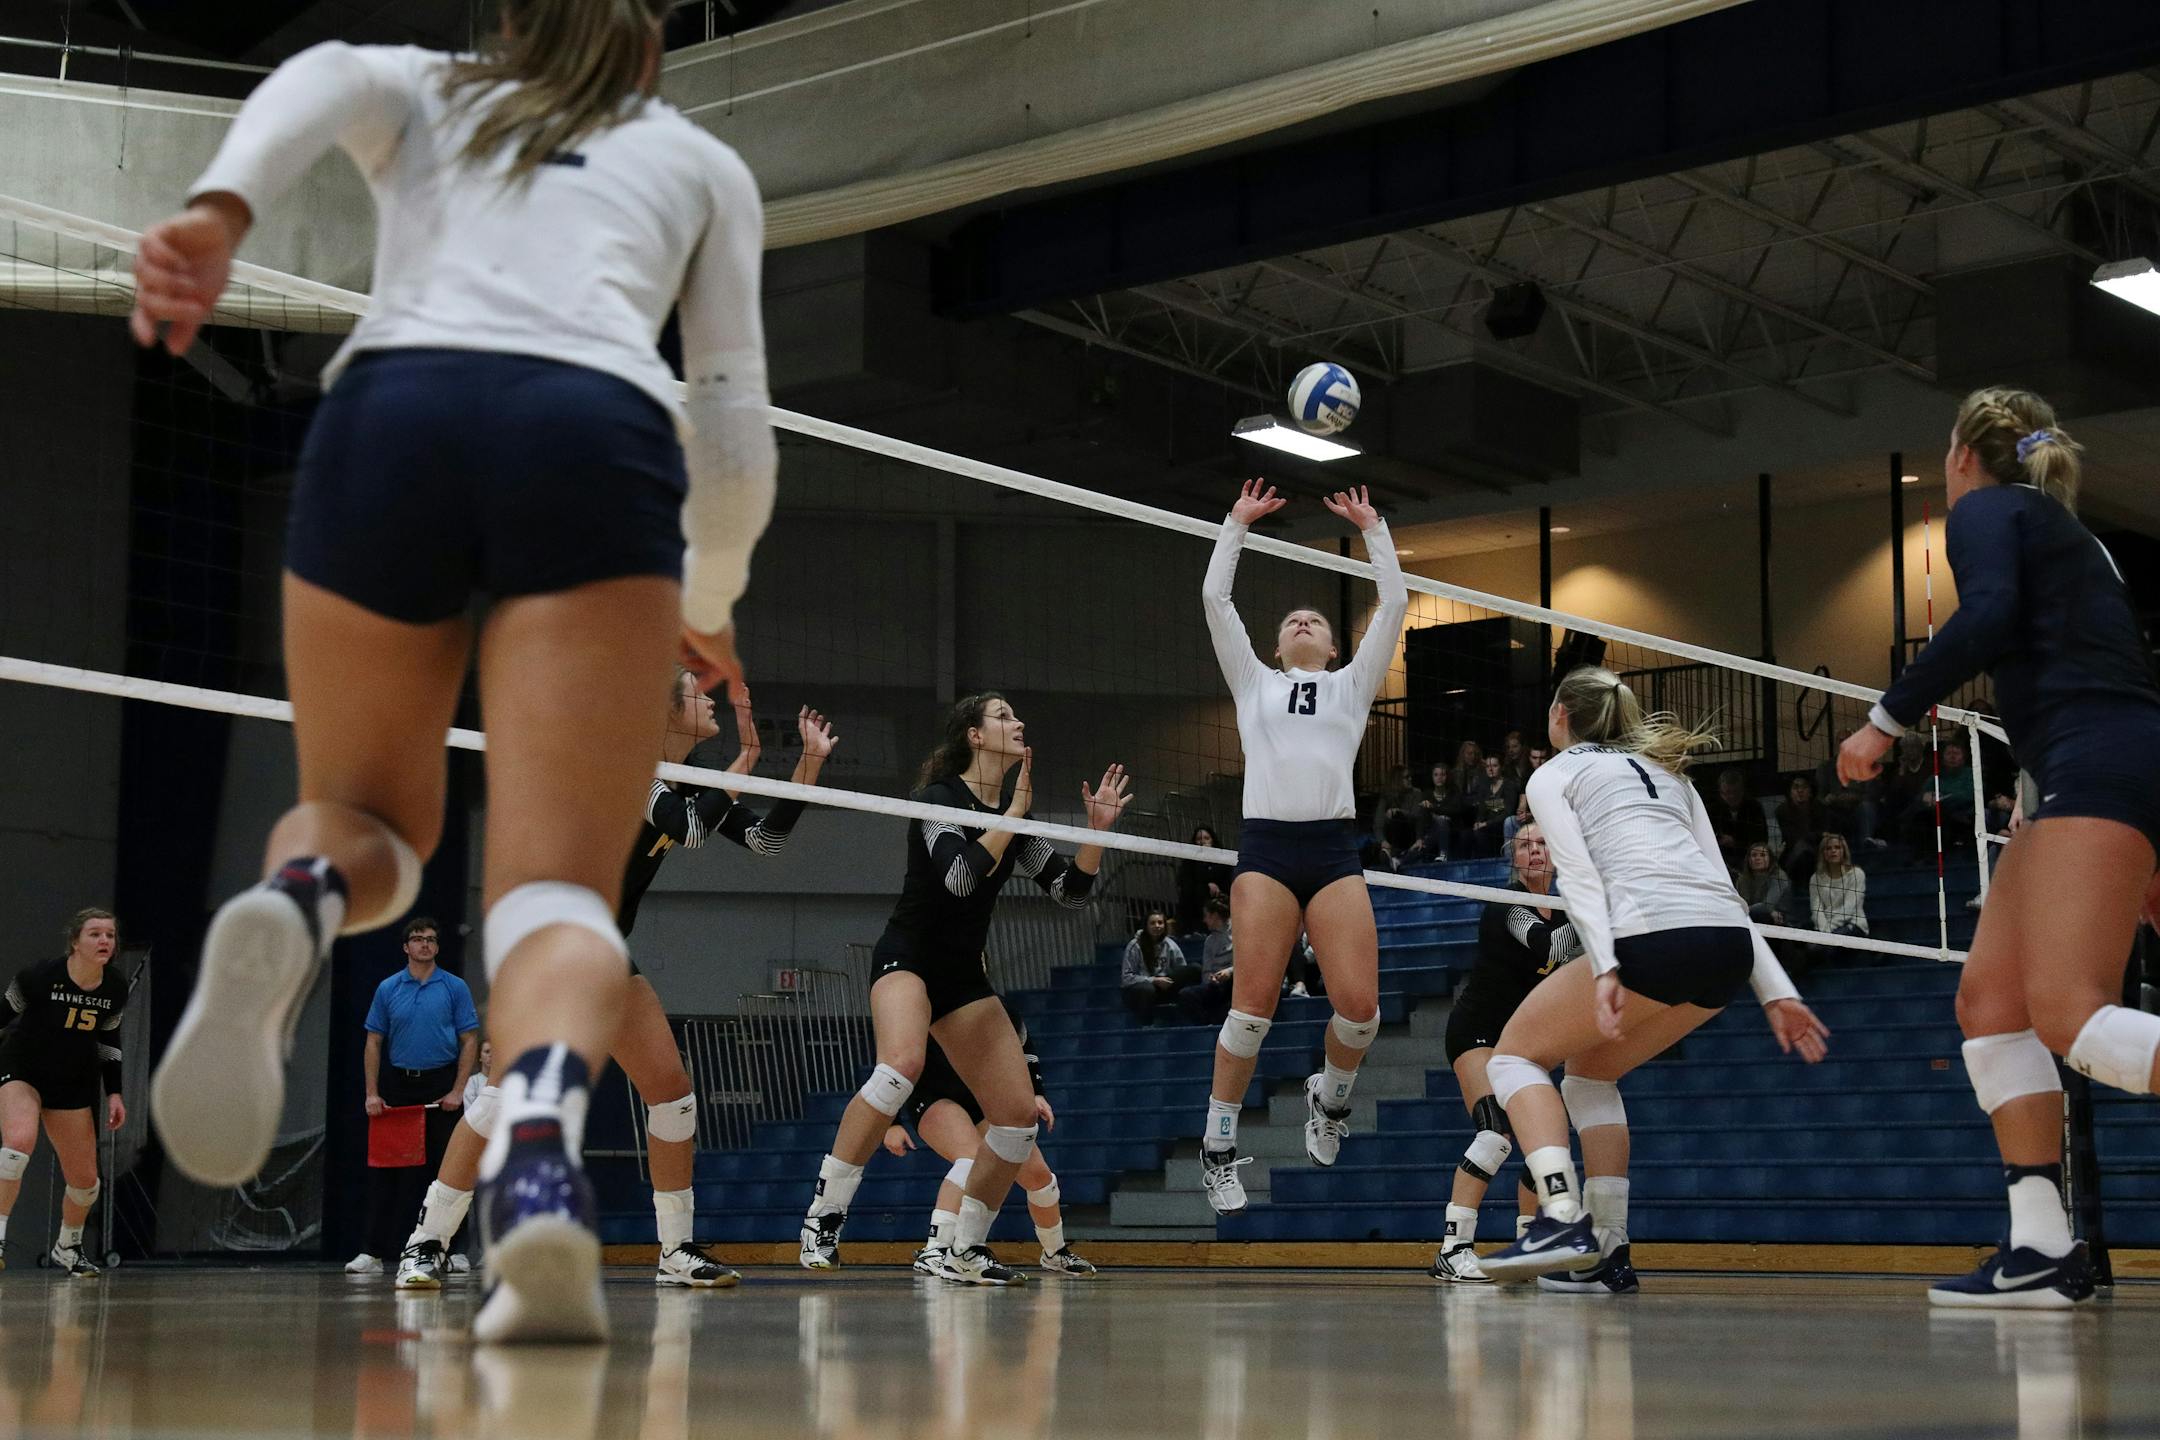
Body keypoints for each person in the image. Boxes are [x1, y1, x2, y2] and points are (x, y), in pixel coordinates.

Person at [131, 0, 777, 1344]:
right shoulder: (698, 161)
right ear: (648, 50)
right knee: (555, 890)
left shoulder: (423, 84)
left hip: (397, 411)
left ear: (506, 23)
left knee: (368, 818)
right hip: (592, 437)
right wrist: (707, 596)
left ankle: (301, 898)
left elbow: (313, 74)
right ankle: (537, 1148)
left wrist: (221, 212)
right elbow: (730, 429)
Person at [1838, 387, 2160, 1309]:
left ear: (1963, 455)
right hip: (2091, 763)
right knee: (1990, 1001)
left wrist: (1883, 721)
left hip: (2099, 762)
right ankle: (2042, 1247)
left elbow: (1984, 621)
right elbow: (2068, 659)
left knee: (2069, 1015)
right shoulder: (2063, 529)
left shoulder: (1987, 509)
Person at [395, 681, 834, 1292]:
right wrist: (746, 763)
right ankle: (426, 1242)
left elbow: (767, 839)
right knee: (501, 1099)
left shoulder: (687, 784)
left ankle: (676, 1251)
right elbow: (692, 830)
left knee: (673, 1097)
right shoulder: (627, 769)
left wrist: (806, 766)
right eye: (692, 692)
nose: (708, 700)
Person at [1475, 667, 1830, 1286]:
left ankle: (1559, 1215)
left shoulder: (1554, 772)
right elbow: (1727, 892)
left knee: (1512, 1060)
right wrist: (1778, 992)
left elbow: (1579, 876)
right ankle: (1609, 1250)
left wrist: (1607, 963)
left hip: (1652, 936)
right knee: (1589, 1074)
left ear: (1559, 714)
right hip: (1724, 950)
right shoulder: (1673, 777)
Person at [797, 693, 1129, 1283]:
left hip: (963, 976)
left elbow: (1071, 893)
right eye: (1002, 716)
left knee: (1017, 1117)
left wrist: (1096, 834)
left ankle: (963, 1249)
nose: (1018, 722)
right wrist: (1010, 818)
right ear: (974, 736)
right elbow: (957, 877)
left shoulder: (1013, 818)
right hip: (909, 955)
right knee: (899, 1065)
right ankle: (824, 1217)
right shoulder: (937, 800)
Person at [1194, 481, 1408, 1214]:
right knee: (1251, 1012)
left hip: (1331, 850)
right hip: (1267, 851)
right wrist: (1237, 524)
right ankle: (1218, 1146)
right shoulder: (1253, 682)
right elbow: (1216, 603)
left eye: (1316, 617)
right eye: (1293, 619)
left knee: (1361, 1012)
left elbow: (1397, 607)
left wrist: (1373, 528)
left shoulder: (1351, 688)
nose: (1305, 622)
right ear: (1279, 645)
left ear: (1335, 644)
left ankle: (1331, 1097)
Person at [1429, 823, 1576, 1283]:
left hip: (1523, 1041)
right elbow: (1548, 945)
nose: (1534, 852)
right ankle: (1453, 1249)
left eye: (1542, 845)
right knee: (1495, 1135)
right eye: (1526, 845)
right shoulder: (1507, 904)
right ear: (1513, 857)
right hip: (1478, 1031)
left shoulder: (1567, 910)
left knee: (1543, 1139)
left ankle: (1529, 1247)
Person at [883, 999, 1098, 1279]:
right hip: (933, 1097)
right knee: (971, 1158)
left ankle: (1055, 1253)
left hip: (981, 1098)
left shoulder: (997, 1006)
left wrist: (1035, 1093)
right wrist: (891, 1122)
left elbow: (1024, 1047)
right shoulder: (918, 1004)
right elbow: (891, 1062)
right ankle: (934, 1250)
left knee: (1039, 1177)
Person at [0, 910, 128, 1277]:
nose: (105, 941)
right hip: (23, 1068)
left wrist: (115, 1093)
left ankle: (68, 1247)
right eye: (95, 934)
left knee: (87, 1183)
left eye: (110, 935)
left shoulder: (115, 988)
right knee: (18, 1144)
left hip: (72, 1080)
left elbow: (108, 1041)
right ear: (75, 941)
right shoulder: (39, 977)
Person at [352, 917, 479, 1276]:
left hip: (442, 1086)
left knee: (451, 1171)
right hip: (398, 1086)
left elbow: (469, 1039)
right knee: (385, 1173)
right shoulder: (388, 988)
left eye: (431, 940)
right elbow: (374, 1041)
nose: (425, 944)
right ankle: (372, 1254)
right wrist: (372, 1093)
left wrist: (457, 1090)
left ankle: (453, 1251)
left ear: (437, 948)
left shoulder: (454, 988)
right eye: (418, 939)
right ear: (406, 947)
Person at [1806, 832, 1869, 966]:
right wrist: (1824, 931)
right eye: (1828, 848)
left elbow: (1849, 909)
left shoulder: (1856, 874)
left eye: (1837, 847)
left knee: (1823, 949)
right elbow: (1816, 909)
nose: (1833, 851)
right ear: (1823, 853)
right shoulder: (1816, 878)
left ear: (1843, 851)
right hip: (1825, 928)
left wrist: (1827, 933)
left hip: (1852, 924)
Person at [1177, 897, 1240, 1024]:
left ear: (1215, 915)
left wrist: (1229, 972)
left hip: (1237, 981)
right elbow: (1206, 971)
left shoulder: (1240, 931)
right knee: (1186, 994)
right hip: (1217, 986)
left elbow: (1247, 963)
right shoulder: (1209, 941)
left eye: (1206, 916)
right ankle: (1207, 1025)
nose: (1204, 920)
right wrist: (1211, 979)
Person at [1118, 911, 1186, 1024]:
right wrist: (1153, 980)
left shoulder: (1171, 944)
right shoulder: (1135, 945)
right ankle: (1146, 1025)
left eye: (1160, 923)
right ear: (1146, 926)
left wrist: (1167, 981)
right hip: (1139, 989)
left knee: (1194, 969)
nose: (1157, 926)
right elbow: (1126, 978)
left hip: (1162, 986)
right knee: (1147, 989)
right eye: (1153, 923)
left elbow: (1182, 969)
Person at [1706, 768, 1769, 874]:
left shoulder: (1754, 807)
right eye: (1727, 793)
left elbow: (1762, 838)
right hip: (1721, 858)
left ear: (1742, 791)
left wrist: (1736, 842)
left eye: (1735, 792)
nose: (1732, 796)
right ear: (1721, 792)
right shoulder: (1712, 809)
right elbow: (1707, 838)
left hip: (1748, 856)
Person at [1174, 827, 1233, 934]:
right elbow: (1185, 885)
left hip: (1220, 910)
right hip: (1194, 912)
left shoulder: (1223, 860)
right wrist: (1206, 886)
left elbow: (1230, 884)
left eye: (1206, 838)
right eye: (1198, 839)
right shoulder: (1189, 862)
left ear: (1213, 840)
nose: (1202, 842)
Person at [1463, 754, 1522, 859]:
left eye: (1494, 766)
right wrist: (1478, 822)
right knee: (1467, 833)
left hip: (1503, 825)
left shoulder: (1509, 785)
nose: (1490, 769)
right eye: (1487, 766)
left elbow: (1508, 812)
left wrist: (1486, 823)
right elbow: (1482, 810)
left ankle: (1490, 861)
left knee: (1481, 832)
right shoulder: (1484, 787)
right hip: (1488, 826)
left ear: (1501, 767)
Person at [1774, 774, 1825, 884]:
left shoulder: (1820, 808)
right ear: (1790, 792)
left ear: (1811, 792)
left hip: (1818, 851)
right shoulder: (1782, 811)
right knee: (1802, 849)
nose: (1800, 790)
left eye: (1804, 787)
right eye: (1796, 787)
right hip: (1793, 853)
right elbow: (1791, 837)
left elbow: (1822, 833)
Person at [1733, 842, 1795, 927]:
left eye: (1762, 855)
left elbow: (1767, 905)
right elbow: (1740, 903)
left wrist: (1742, 910)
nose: (1758, 858)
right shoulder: (1742, 879)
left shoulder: (1779, 876)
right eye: (1754, 855)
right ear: (1748, 859)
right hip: (1749, 919)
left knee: (1762, 915)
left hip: (1780, 922)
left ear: (1770, 859)